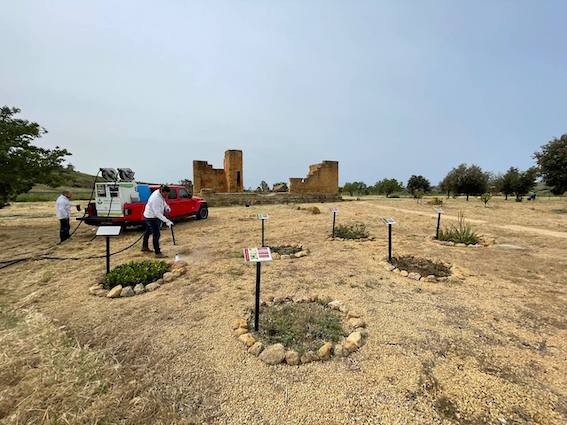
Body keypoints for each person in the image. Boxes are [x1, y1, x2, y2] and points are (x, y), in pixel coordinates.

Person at [142, 185, 173, 257]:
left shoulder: (159, 193)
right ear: (162, 191)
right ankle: (157, 253)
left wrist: (166, 207)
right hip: (151, 217)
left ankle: (144, 247)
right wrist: (167, 221)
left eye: (167, 194)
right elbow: (157, 213)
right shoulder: (155, 199)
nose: (166, 195)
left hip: (151, 215)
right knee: (156, 234)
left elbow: (163, 201)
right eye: (166, 194)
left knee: (148, 232)